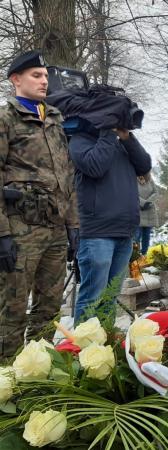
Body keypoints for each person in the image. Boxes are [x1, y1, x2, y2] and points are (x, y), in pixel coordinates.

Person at [0, 51, 79, 357]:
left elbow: (66, 175)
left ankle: (38, 373)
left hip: (55, 231)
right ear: (15, 79)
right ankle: (6, 382)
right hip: (20, 232)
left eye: (45, 76)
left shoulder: (55, 119)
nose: (44, 81)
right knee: (11, 312)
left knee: (49, 311)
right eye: (36, 75)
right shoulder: (6, 119)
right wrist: (3, 234)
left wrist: (73, 227)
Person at [69, 113, 151, 323]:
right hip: (97, 233)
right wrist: (106, 131)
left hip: (124, 231)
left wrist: (126, 137)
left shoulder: (121, 143)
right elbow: (95, 166)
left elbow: (144, 165)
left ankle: (103, 347)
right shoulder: (80, 140)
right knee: (92, 297)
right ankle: (82, 350)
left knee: (110, 297)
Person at [136, 173, 159, 255]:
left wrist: (148, 202)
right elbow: (132, 193)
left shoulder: (150, 180)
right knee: (136, 236)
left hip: (149, 210)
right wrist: (142, 203)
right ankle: (135, 257)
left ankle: (144, 255)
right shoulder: (133, 179)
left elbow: (156, 193)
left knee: (146, 236)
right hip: (138, 210)